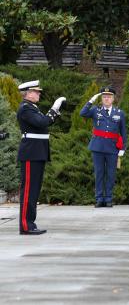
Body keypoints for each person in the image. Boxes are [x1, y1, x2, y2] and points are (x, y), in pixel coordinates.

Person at [16, 80, 65, 234]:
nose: (39, 94)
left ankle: (30, 223)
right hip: (31, 153)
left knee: (34, 190)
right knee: (29, 190)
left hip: (37, 152)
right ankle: (25, 226)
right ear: (28, 93)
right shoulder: (25, 109)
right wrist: (54, 109)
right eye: (36, 92)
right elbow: (42, 122)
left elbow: (43, 124)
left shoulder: (33, 108)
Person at [80, 86, 127, 208]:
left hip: (112, 148)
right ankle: (99, 199)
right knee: (99, 173)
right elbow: (82, 113)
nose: (106, 99)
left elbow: (123, 132)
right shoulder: (96, 110)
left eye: (109, 97)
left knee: (111, 174)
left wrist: (123, 148)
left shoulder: (119, 113)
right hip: (98, 147)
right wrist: (91, 100)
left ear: (113, 98)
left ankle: (109, 198)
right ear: (101, 98)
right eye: (104, 97)